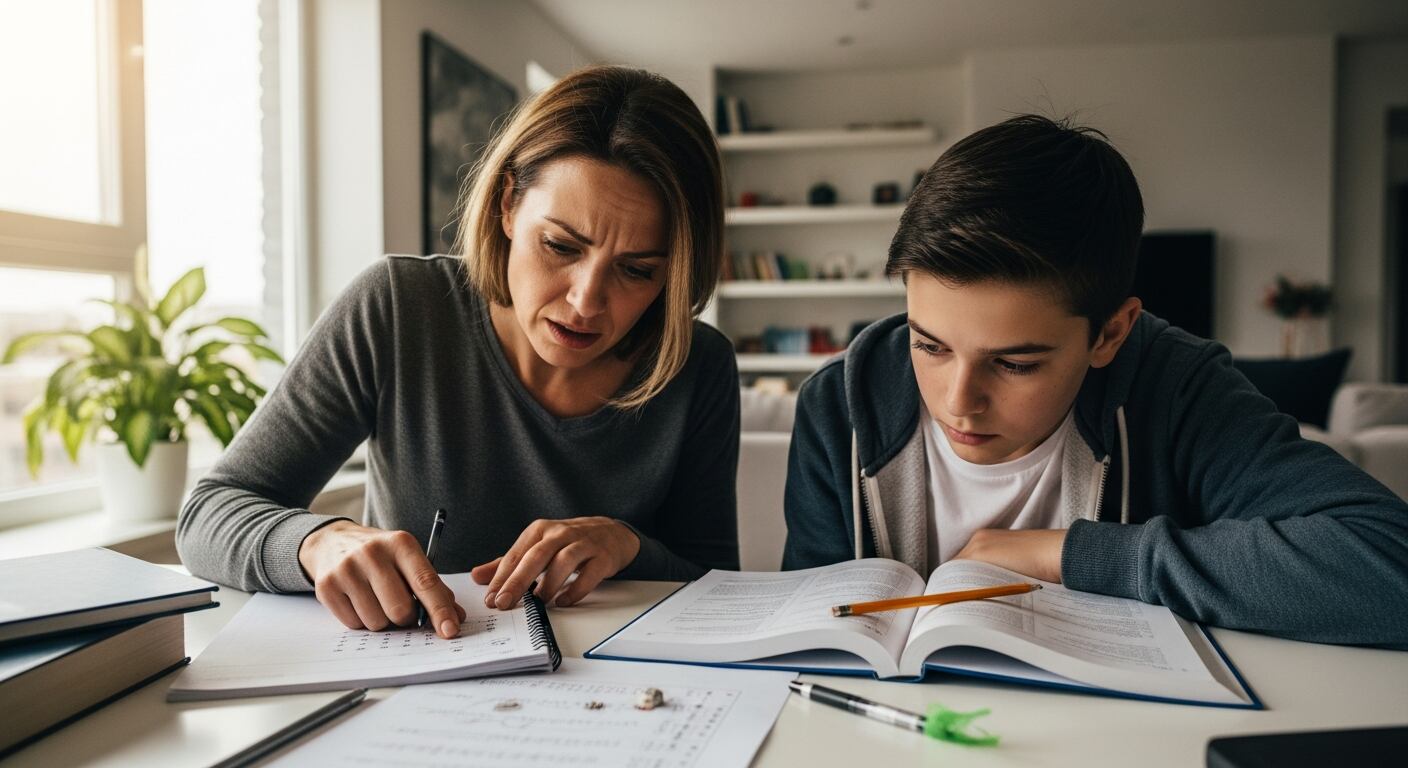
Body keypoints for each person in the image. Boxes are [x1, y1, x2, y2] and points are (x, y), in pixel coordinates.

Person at [782, 114, 1408, 648]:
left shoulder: (1177, 389)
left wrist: (1067, 555)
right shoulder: (839, 405)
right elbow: (809, 634)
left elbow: (1389, 562)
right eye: (929, 345)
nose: (957, 402)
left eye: (1015, 363)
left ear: (1111, 333)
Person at [177, 66, 739, 640]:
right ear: (507, 205)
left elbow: (720, 585)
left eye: (636, 270)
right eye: (560, 246)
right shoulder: (398, 307)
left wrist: (631, 547)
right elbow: (209, 513)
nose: (585, 301)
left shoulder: (699, 365)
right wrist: (316, 543)